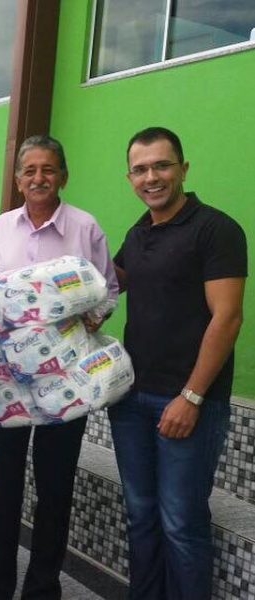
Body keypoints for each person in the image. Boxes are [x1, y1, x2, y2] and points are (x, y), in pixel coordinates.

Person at [0, 134, 118, 600]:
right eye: (29, 170)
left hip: (64, 383)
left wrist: (92, 317)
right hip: (4, 382)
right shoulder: (0, 229)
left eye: (48, 169)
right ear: (17, 180)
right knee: (0, 488)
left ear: (63, 176)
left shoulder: (85, 228)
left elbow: (108, 290)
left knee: (55, 488)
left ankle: (43, 588)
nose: (38, 178)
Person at [109, 126, 247, 600]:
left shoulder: (216, 229)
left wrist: (191, 397)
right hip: (130, 401)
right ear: (130, 178)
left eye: (162, 166)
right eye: (140, 169)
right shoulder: (138, 233)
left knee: (181, 523)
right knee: (140, 515)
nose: (151, 177)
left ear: (183, 169)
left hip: (189, 403)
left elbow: (227, 318)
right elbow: (107, 286)